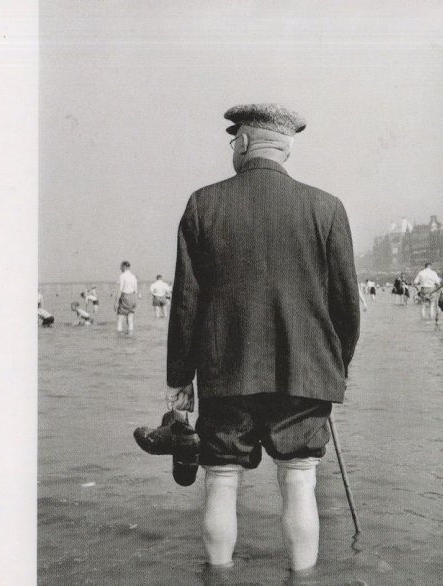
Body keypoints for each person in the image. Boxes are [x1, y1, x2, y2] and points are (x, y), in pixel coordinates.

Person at [164, 104, 360, 573]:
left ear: (245, 143)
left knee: (222, 481)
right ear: (286, 148)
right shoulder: (327, 207)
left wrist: (180, 377)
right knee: (299, 482)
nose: (232, 148)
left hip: (226, 370)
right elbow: (346, 306)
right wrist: (334, 367)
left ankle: (219, 577)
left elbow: (186, 301)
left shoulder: (202, 203)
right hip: (307, 372)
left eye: (234, 141)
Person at [115, 261, 138, 334]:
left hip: (125, 296)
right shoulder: (133, 276)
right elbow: (136, 290)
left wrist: (116, 302)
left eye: (121, 266)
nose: (120, 268)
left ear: (124, 267)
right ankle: (130, 336)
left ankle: (119, 338)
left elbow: (120, 289)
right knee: (130, 319)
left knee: (120, 319)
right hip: (133, 297)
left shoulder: (122, 276)